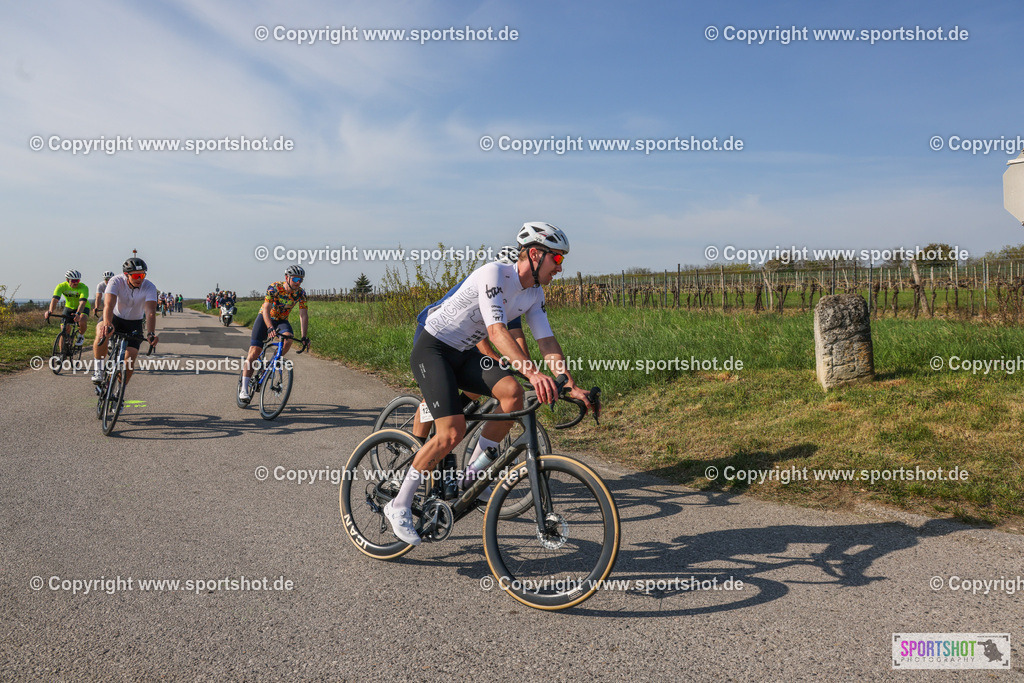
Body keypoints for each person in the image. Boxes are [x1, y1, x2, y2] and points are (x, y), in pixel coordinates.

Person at [384, 222, 590, 545]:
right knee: (450, 431)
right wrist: (534, 374)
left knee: (512, 395)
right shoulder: (494, 274)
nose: (560, 269)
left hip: (464, 353)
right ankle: (398, 504)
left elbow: (547, 341)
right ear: (535, 254)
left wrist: (569, 384)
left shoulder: (534, 294)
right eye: (558, 261)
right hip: (433, 348)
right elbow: (496, 333)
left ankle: (471, 478)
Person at [407, 245, 530, 441]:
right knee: (436, 392)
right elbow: (481, 333)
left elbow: (516, 335)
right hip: (435, 334)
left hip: (464, 341)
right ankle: (416, 443)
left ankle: (453, 409)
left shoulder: (514, 294)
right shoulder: (491, 285)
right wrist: (492, 356)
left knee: (478, 382)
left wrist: (526, 369)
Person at [238, 266, 310, 402]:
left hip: (282, 320)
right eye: (295, 279)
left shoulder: (301, 293)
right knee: (254, 352)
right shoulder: (275, 287)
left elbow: (303, 315)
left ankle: (271, 364)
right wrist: (270, 327)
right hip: (265, 318)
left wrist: (304, 337)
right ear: (287, 278)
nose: (298, 282)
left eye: (301, 280)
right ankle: (244, 389)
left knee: (288, 339)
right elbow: (266, 308)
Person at [91, 257, 159, 386]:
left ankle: (119, 394)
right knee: (101, 333)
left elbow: (150, 311)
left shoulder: (149, 287)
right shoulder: (115, 281)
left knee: (130, 360)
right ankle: (98, 370)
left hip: (134, 323)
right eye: (136, 275)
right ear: (126, 275)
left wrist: (151, 333)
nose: (140, 279)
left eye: (142, 275)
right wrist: (107, 322)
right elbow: (109, 305)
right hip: (114, 317)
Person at [46, 270, 89, 349]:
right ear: (67, 280)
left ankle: (81, 336)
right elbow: (55, 299)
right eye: (73, 281)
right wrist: (50, 311)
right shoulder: (61, 286)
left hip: (83, 307)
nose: (76, 283)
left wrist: (78, 314)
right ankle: (61, 354)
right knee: (64, 330)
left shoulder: (84, 287)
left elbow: (82, 302)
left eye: (78, 280)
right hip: (69, 307)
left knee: (82, 320)